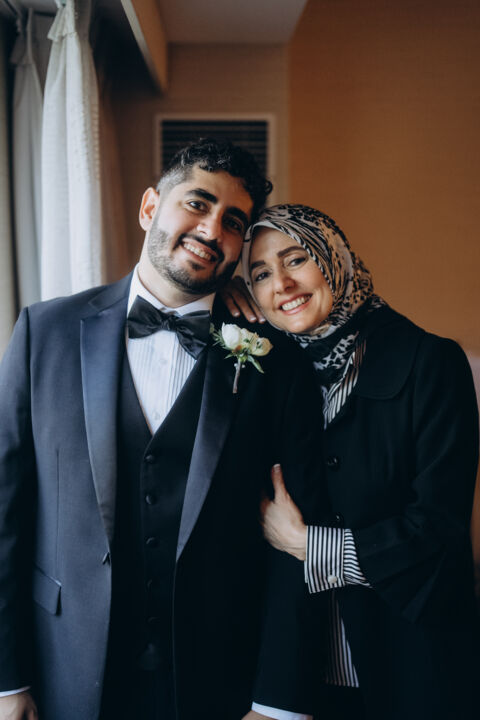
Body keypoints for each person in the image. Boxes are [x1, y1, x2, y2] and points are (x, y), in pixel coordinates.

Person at [0, 144, 327, 720]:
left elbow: (294, 543)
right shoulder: (44, 332)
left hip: (219, 679)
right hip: (63, 668)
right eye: (197, 203)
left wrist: (278, 702)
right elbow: (5, 513)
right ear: (150, 206)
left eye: (233, 222)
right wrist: (7, 681)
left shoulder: (277, 362)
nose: (212, 230)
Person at [222, 203, 480, 720]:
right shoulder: (266, 372)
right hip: (297, 676)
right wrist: (217, 300)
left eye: (296, 259)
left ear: (334, 259)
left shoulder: (430, 362)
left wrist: (308, 545)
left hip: (412, 665)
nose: (282, 284)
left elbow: (439, 528)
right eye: (261, 274)